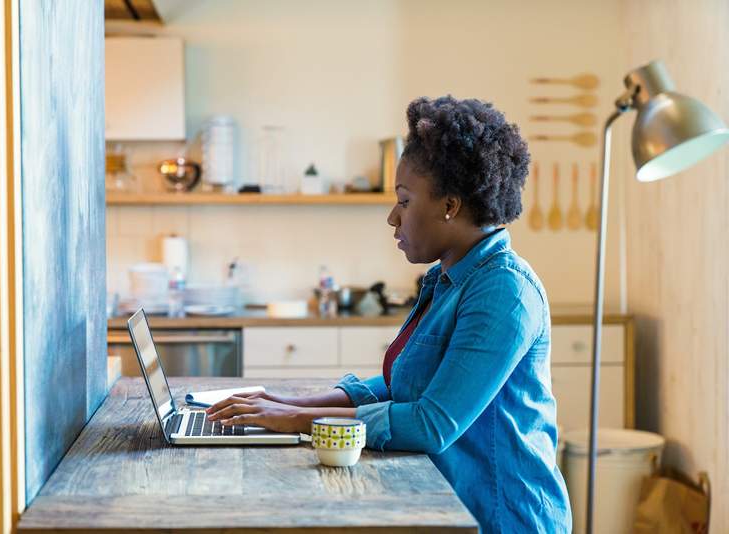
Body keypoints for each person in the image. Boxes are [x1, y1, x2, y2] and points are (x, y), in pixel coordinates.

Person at [206, 95, 572, 533]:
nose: (392, 218)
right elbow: (408, 381)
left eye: (404, 200)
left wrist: (297, 420)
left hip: (503, 516)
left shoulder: (503, 292)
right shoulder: (450, 277)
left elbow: (430, 422)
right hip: (453, 504)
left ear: (449, 205)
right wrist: (290, 402)